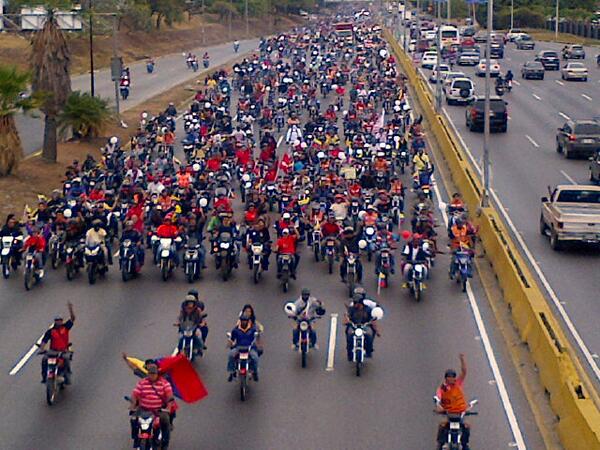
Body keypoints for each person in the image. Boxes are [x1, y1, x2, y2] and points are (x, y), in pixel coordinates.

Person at [129, 361, 175, 449]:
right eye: (150, 373)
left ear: (157, 374)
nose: (152, 376)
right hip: (143, 409)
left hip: (158, 411)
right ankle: (136, 438)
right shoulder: (142, 383)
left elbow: (169, 396)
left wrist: (168, 408)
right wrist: (133, 406)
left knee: (165, 421)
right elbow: (135, 394)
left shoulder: (164, 384)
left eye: (154, 374)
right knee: (133, 419)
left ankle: (164, 443)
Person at [436, 354, 470, 450]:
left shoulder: (458, 384)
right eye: (449, 377)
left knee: (467, 427)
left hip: (459, 413)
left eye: (453, 377)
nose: (452, 379)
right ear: (446, 378)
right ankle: (441, 444)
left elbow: (464, 372)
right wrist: (439, 406)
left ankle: (464, 444)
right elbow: (438, 398)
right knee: (442, 426)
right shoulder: (442, 388)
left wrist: (462, 360)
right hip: (449, 413)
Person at [38, 302, 75, 384]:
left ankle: (67, 376)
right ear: (55, 321)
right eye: (57, 320)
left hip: (63, 350)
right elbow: (44, 340)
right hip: (53, 351)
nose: (59, 322)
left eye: (60, 320)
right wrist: (42, 349)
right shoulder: (50, 331)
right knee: (44, 360)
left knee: (66, 360)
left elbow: (73, 318)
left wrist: (70, 309)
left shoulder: (66, 327)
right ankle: (44, 377)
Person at [343, 294, 380, 361]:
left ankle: (369, 350)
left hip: (365, 326)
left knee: (369, 335)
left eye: (356, 303)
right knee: (349, 334)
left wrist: (377, 330)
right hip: (354, 326)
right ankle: (349, 351)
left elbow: (373, 320)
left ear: (360, 302)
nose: (354, 304)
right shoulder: (351, 309)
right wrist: (346, 321)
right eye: (354, 302)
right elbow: (346, 317)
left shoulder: (368, 310)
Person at [227, 313, 260, 382]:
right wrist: (230, 343)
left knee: (255, 357)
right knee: (230, 355)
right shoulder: (235, 330)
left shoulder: (252, 330)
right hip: (238, 348)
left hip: (249, 348)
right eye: (242, 320)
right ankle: (232, 371)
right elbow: (232, 340)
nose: (244, 322)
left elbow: (256, 338)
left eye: (245, 320)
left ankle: (255, 372)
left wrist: (257, 342)